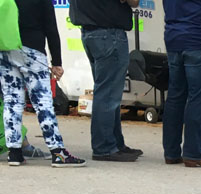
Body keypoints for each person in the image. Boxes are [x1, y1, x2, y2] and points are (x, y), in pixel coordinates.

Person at [1, 0, 85, 166]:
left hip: (6, 51)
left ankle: (14, 153)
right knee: (43, 102)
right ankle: (58, 152)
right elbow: (51, 29)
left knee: (12, 101)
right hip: (32, 51)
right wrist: (57, 62)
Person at [68, 0, 142, 162]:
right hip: (109, 33)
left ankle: (115, 143)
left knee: (106, 91)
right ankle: (105, 147)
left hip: (89, 32)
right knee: (108, 94)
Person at [162, 0, 201, 167]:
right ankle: (193, 152)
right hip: (200, 39)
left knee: (175, 97)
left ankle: (171, 152)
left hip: (174, 38)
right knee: (199, 98)